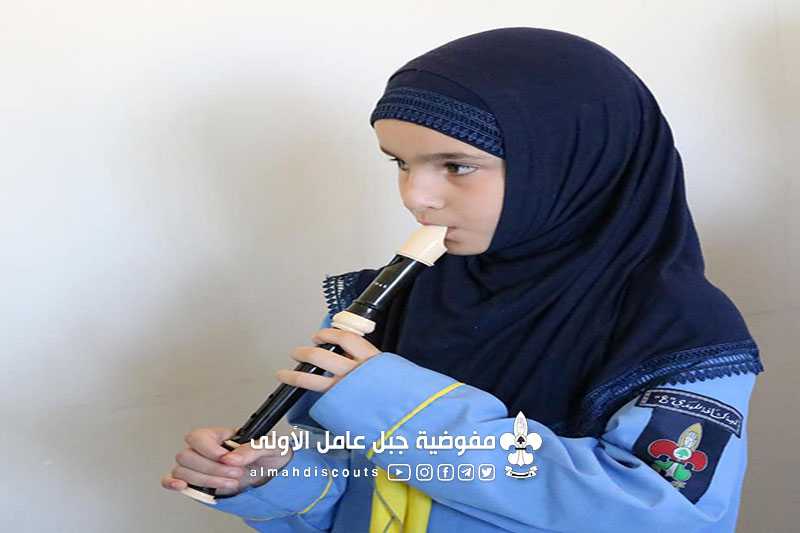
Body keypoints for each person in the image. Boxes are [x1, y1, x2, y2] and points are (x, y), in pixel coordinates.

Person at [160, 27, 765, 532]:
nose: (415, 196)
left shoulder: (679, 326)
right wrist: (275, 477)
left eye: (456, 166)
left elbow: (658, 514)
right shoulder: (391, 300)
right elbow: (364, 490)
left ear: (568, 164)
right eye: (400, 163)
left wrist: (393, 404)